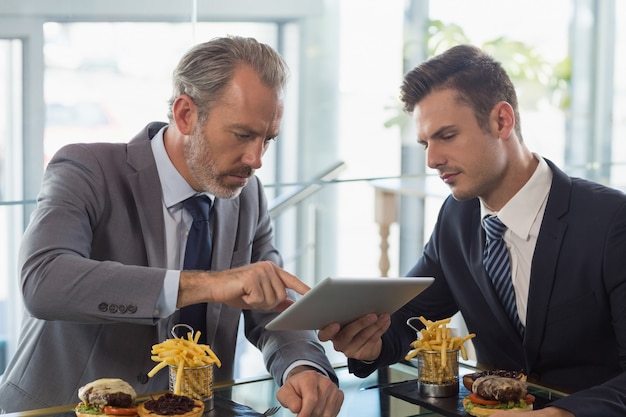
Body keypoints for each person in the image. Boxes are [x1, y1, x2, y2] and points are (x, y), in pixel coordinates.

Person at [0, 36, 343, 416]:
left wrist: (303, 366)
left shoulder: (248, 195)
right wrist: (208, 284)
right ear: (185, 114)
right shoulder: (87, 168)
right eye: (243, 135)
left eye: (268, 139)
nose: (256, 159)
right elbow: (43, 281)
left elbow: (272, 306)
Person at [319, 44, 626, 417]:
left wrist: (563, 414)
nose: (432, 160)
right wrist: (371, 342)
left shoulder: (611, 221)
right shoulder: (457, 216)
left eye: (446, 136)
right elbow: (407, 318)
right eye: (425, 143)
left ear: (502, 121)